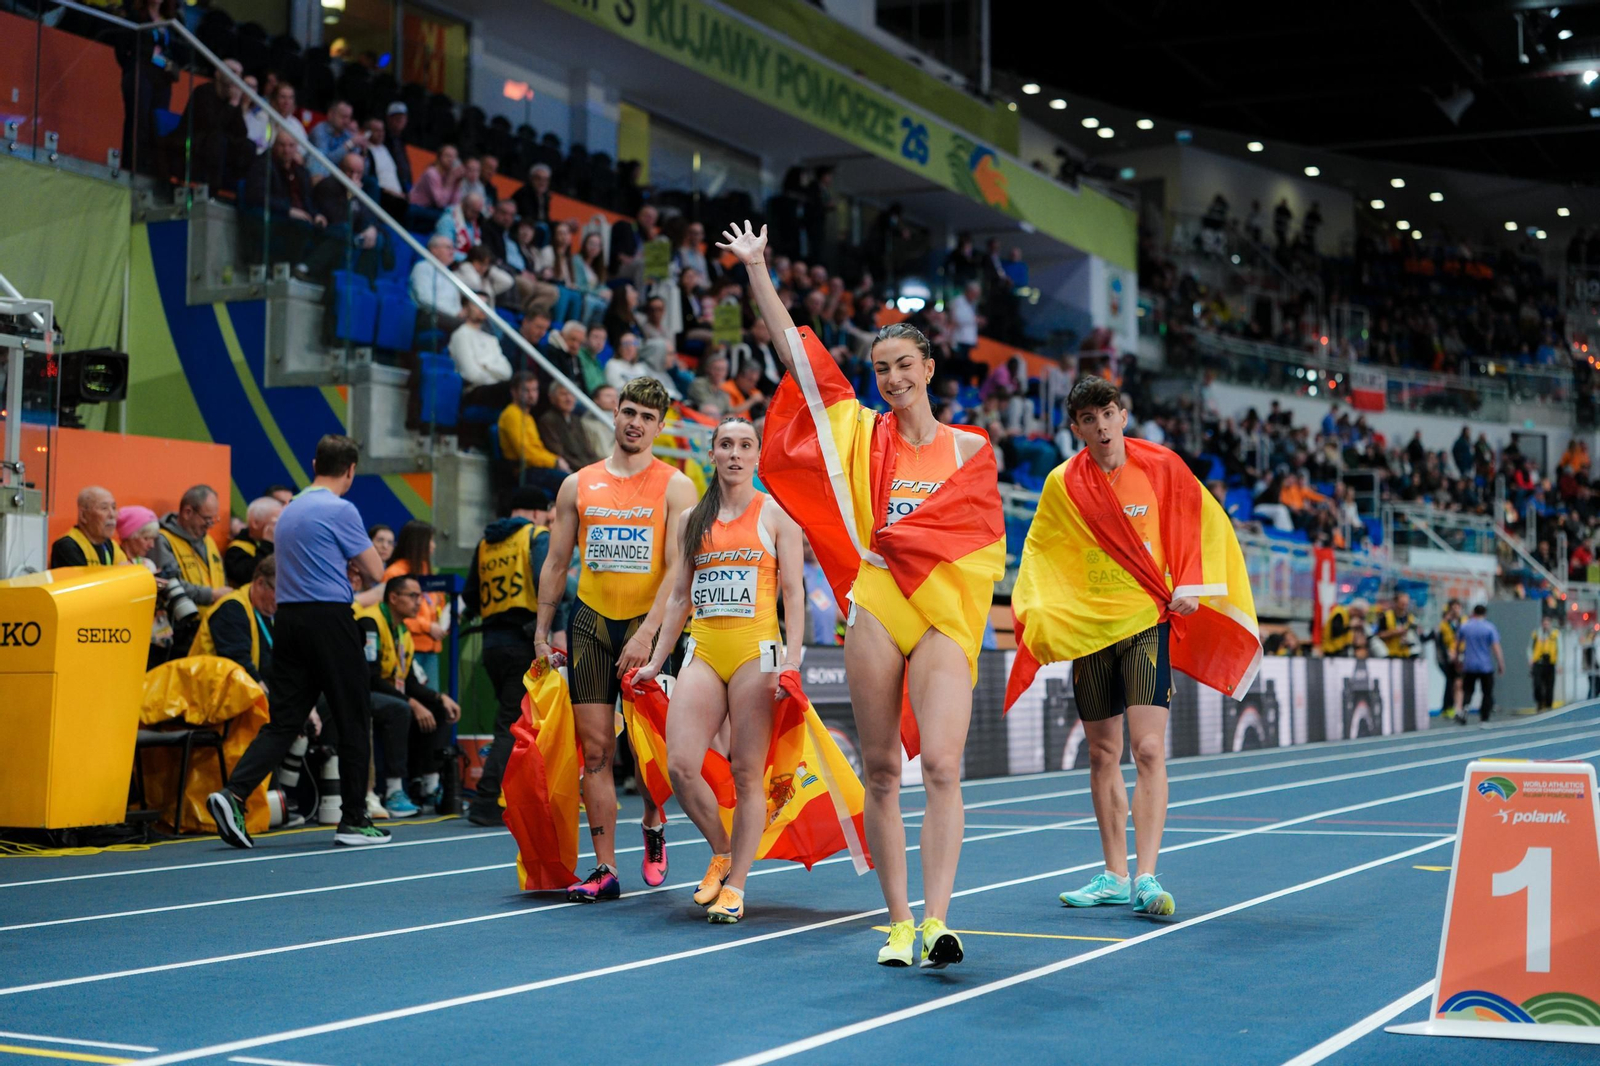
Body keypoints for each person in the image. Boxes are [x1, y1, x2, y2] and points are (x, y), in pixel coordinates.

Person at [722, 220, 1003, 967]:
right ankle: (901, 921)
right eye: (882, 367)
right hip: (877, 607)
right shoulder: (858, 434)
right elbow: (794, 353)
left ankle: (941, 919)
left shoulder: (969, 448)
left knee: (941, 765)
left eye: (905, 364)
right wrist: (757, 270)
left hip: (941, 614)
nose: (893, 377)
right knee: (881, 770)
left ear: (930, 366)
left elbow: (984, 545)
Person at [1009, 374, 1256, 924]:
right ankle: (1114, 876)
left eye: (1108, 414)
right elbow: (1045, 553)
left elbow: (1198, 522)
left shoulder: (1161, 467)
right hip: (1090, 631)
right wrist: (1044, 612)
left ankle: (1147, 875)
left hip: (1145, 621)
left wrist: (1189, 582)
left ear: (1124, 415)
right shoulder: (1061, 484)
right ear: (1076, 428)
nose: (1100, 428)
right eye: (1088, 420)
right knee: (1101, 753)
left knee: (1147, 751)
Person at [633, 417, 806, 922]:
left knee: (748, 774)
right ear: (711, 453)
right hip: (704, 651)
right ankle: (724, 850)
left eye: (744, 445)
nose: (735, 453)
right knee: (682, 765)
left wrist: (793, 659)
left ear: (757, 456)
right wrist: (656, 662)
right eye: (725, 445)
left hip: (758, 654)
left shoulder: (776, 515)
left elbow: (794, 595)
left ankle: (738, 886)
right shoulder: (691, 520)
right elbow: (680, 598)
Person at [533, 376, 697, 901]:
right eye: (629, 412)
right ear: (615, 415)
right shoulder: (576, 484)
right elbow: (558, 562)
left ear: (660, 426)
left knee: (653, 752)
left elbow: (679, 568)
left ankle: (652, 821)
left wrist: (650, 633)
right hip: (591, 624)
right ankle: (604, 869)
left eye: (648, 417)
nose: (635, 423)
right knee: (597, 750)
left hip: (649, 627)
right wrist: (541, 629)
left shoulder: (677, 485)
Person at [207, 434, 390, 849]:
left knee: (284, 721)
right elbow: (376, 570)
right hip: (329, 619)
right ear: (351, 471)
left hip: (288, 620)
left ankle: (233, 793)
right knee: (354, 719)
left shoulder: (288, 512)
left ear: (313, 464)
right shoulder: (340, 509)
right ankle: (354, 819)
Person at [463, 487, 554, 825]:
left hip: (491, 642)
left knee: (515, 721)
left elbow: (471, 594)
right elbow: (548, 584)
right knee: (512, 725)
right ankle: (486, 800)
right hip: (524, 640)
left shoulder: (486, 543)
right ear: (535, 512)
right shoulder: (536, 536)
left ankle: (517, 796)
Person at [355, 573, 460, 815]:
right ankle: (393, 792)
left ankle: (430, 785)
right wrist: (412, 703)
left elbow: (409, 682)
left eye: (420, 597)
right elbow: (370, 678)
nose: (418, 602)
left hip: (388, 693)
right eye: (413, 596)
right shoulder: (370, 623)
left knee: (440, 708)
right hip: (361, 694)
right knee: (400, 709)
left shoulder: (403, 633)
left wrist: (439, 698)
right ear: (393, 597)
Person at [192, 554, 277, 686]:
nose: (285, 598)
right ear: (260, 583)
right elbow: (240, 668)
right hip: (211, 695)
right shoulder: (231, 609)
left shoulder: (271, 610)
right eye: (280, 591)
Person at [384, 521, 448, 689]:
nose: (433, 546)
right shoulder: (395, 573)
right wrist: (427, 627)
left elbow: (437, 604)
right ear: (418, 543)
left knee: (431, 702)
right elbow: (392, 614)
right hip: (407, 647)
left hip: (432, 650)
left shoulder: (427, 571)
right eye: (431, 540)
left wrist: (446, 620)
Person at [159, 485, 232, 618]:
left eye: (214, 519)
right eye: (206, 519)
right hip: (183, 625)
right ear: (187, 512)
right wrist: (211, 595)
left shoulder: (208, 540)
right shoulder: (163, 540)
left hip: (213, 623)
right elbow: (169, 584)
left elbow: (222, 578)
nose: (210, 525)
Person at [498, 371, 572, 495]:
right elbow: (525, 452)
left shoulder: (528, 417)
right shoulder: (512, 415)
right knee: (571, 483)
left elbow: (538, 448)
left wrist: (556, 459)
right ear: (514, 392)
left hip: (536, 468)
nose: (531, 395)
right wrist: (554, 462)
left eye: (534, 390)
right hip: (524, 471)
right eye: (526, 391)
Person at [49, 486, 125, 567]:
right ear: (83, 515)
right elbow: (81, 579)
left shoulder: (111, 545)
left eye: (114, 508)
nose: (112, 514)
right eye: (104, 508)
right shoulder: (67, 546)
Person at [538, 383, 605, 470]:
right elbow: (559, 453)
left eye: (571, 394)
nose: (569, 398)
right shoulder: (548, 420)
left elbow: (588, 451)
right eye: (563, 394)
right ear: (552, 397)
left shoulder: (576, 420)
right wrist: (588, 469)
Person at [1457, 604, 1504, 724]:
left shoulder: (1466, 626)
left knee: (1468, 690)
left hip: (1470, 664)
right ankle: (1484, 716)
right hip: (1485, 665)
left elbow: (1458, 643)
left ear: (1473, 613)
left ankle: (1465, 708)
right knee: (1487, 692)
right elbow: (1495, 647)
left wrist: (1458, 658)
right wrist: (1500, 662)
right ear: (1485, 614)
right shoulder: (1489, 627)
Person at [411, 235, 466, 334]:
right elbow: (424, 299)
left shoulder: (451, 275)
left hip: (450, 317)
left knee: (479, 324)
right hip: (429, 314)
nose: (452, 252)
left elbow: (456, 303)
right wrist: (454, 313)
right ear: (434, 250)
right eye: (448, 248)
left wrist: (460, 312)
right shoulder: (422, 267)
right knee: (467, 327)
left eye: (453, 248)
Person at [225, 496, 282, 588]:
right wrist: (267, 543)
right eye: (275, 522)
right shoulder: (236, 550)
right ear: (255, 523)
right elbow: (250, 576)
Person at [408, 144, 465, 230]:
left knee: (456, 217)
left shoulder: (448, 175)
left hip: (431, 210)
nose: (451, 160)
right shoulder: (432, 173)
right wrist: (451, 180)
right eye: (448, 156)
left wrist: (457, 183)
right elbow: (441, 203)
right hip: (416, 208)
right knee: (448, 218)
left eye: (454, 157)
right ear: (439, 157)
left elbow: (453, 205)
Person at [1436, 599, 1463, 721]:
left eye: (1457, 607)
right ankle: (1447, 707)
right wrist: (1447, 654)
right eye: (1453, 607)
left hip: (1462, 655)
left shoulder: (1464, 622)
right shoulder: (1444, 624)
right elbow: (1440, 642)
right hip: (1449, 657)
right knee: (1451, 681)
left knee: (1458, 683)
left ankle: (1457, 707)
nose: (1455, 610)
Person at [1376, 591, 1419, 658]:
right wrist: (1395, 632)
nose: (1404, 607)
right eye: (1402, 604)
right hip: (1389, 654)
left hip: (1407, 654)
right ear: (1395, 603)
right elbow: (1379, 635)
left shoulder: (1411, 619)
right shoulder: (1385, 616)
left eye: (1406, 604)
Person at [1530, 615, 1559, 712]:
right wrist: (1530, 659)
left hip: (1550, 663)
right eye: (1544, 623)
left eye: (1547, 623)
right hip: (1538, 662)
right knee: (1537, 684)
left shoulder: (1555, 634)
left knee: (1549, 685)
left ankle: (1548, 704)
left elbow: (1560, 649)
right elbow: (1530, 647)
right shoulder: (1537, 634)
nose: (1546, 625)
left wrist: (1560, 663)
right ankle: (1540, 701)